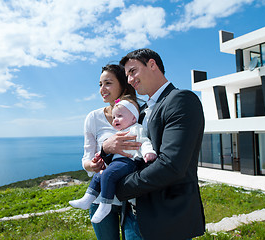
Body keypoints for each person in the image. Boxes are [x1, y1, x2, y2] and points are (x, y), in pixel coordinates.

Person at [101, 48, 206, 240]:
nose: (130, 80)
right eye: (127, 75)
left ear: (152, 64)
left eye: (133, 71)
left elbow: (171, 165)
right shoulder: (140, 109)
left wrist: (118, 187)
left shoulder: (181, 100)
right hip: (133, 216)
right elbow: (129, 144)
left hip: (165, 220)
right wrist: (106, 149)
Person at [69, 96, 157, 224]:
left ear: (133, 118)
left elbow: (144, 141)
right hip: (117, 162)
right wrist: (100, 154)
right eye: (114, 117)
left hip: (129, 162)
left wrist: (148, 152)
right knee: (98, 176)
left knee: (107, 174)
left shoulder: (136, 128)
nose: (115, 119)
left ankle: (105, 205)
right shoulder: (118, 132)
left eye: (120, 116)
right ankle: (87, 199)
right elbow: (111, 149)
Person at [78, 64, 137, 240]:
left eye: (108, 83)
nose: (102, 89)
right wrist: (94, 164)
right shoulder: (93, 118)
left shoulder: (138, 114)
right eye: (100, 84)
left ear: (124, 85)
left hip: (133, 199)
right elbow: (86, 161)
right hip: (100, 200)